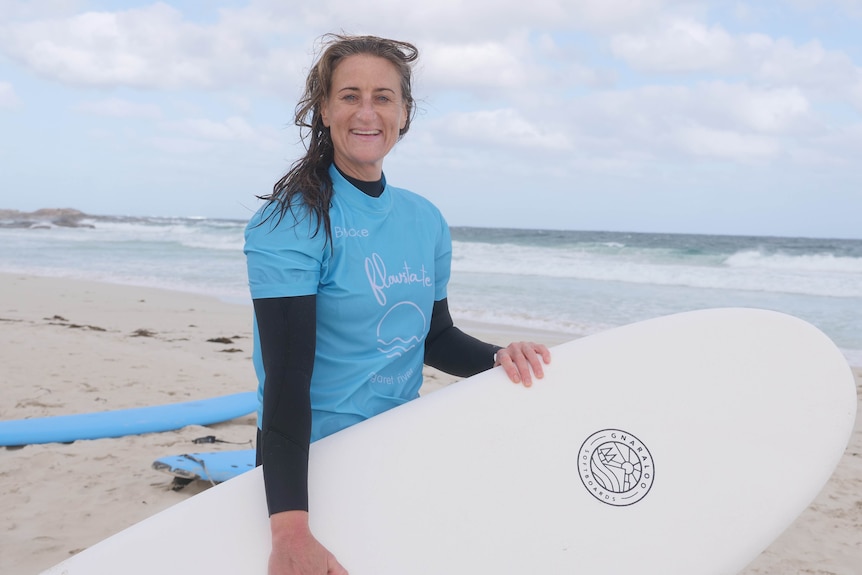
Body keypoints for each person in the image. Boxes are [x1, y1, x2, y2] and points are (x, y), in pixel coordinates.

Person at [243, 33, 551, 575]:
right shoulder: (290, 222)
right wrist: (291, 529)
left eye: (383, 97)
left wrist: (500, 356)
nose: (367, 112)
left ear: (405, 113)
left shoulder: (424, 219)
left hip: (399, 443)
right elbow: (287, 380)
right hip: (314, 459)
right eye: (350, 95)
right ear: (324, 109)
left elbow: (433, 337)